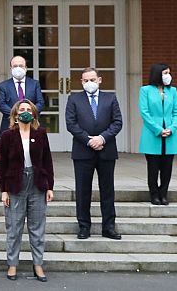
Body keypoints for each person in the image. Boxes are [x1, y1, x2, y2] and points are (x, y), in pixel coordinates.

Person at [0, 99, 54, 282]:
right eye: (21, 109)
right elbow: (2, 164)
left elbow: (47, 161)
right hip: (15, 183)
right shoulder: (7, 136)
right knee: (14, 227)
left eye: (28, 109)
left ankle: (38, 264)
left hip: (37, 183)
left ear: (34, 114)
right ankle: (12, 264)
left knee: (37, 227)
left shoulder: (41, 134)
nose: (25, 112)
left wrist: (50, 186)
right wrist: (4, 190)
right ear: (15, 114)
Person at [66, 67, 123, 240]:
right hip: (83, 151)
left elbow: (117, 122)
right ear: (81, 82)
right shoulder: (74, 99)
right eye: (85, 80)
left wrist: (102, 138)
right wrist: (89, 140)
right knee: (83, 191)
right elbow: (71, 123)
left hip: (106, 150)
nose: (89, 83)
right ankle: (84, 226)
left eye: (92, 79)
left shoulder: (110, 98)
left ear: (99, 80)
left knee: (107, 190)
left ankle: (109, 227)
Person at [139, 63, 177, 206]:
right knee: (153, 167)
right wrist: (158, 129)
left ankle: (164, 194)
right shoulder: (145, 90)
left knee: (167, 167)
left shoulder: (173, 91)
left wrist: (172, 127)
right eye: (165, 73)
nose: (168, 76)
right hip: (152, 134)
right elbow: (145, 112)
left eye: (169, 73)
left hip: (170, 134)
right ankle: (154, 195)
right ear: (158, 74)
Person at [0, 56, 45, 138]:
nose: (18, 68)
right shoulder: (3, 86)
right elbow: (1, 105)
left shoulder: (34, 84)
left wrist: (28, 114)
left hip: (31, 125)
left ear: (25, 68)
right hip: (10, 126)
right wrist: (17, 114)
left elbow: (40, 103)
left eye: (21, 66)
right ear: (11, 68)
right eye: (15, 66)